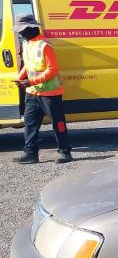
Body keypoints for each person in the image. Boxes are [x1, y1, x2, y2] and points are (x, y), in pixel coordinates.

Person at [12, 14, 72, 164]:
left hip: (50, 93)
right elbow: (29, 64)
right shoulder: (26, 43)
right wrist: (20, 77)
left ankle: (65, 152)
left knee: (58, 122)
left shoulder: (45, 45)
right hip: (32, 93)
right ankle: (30, 153)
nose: (20, 33)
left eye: (22, 30)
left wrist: (31, 81)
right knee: (30, 123)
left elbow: (52, 70)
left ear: (31, 28)